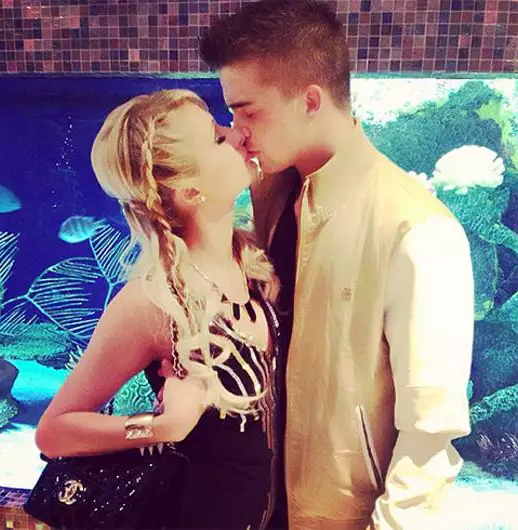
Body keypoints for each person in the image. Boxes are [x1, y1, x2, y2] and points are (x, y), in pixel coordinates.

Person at [199, 1, 475, 529]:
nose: (239, 130)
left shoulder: (417, 229)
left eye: (249, 111)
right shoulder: (270, 191)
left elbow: (430, 437)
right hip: (255, 506)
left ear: (310, 100)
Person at [35, 88, 284, 530]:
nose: (237, 134)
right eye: (217, 137)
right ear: (190, 190)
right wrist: (159, 426)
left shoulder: (249, 262)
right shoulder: (154, 300)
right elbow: (53, 432)